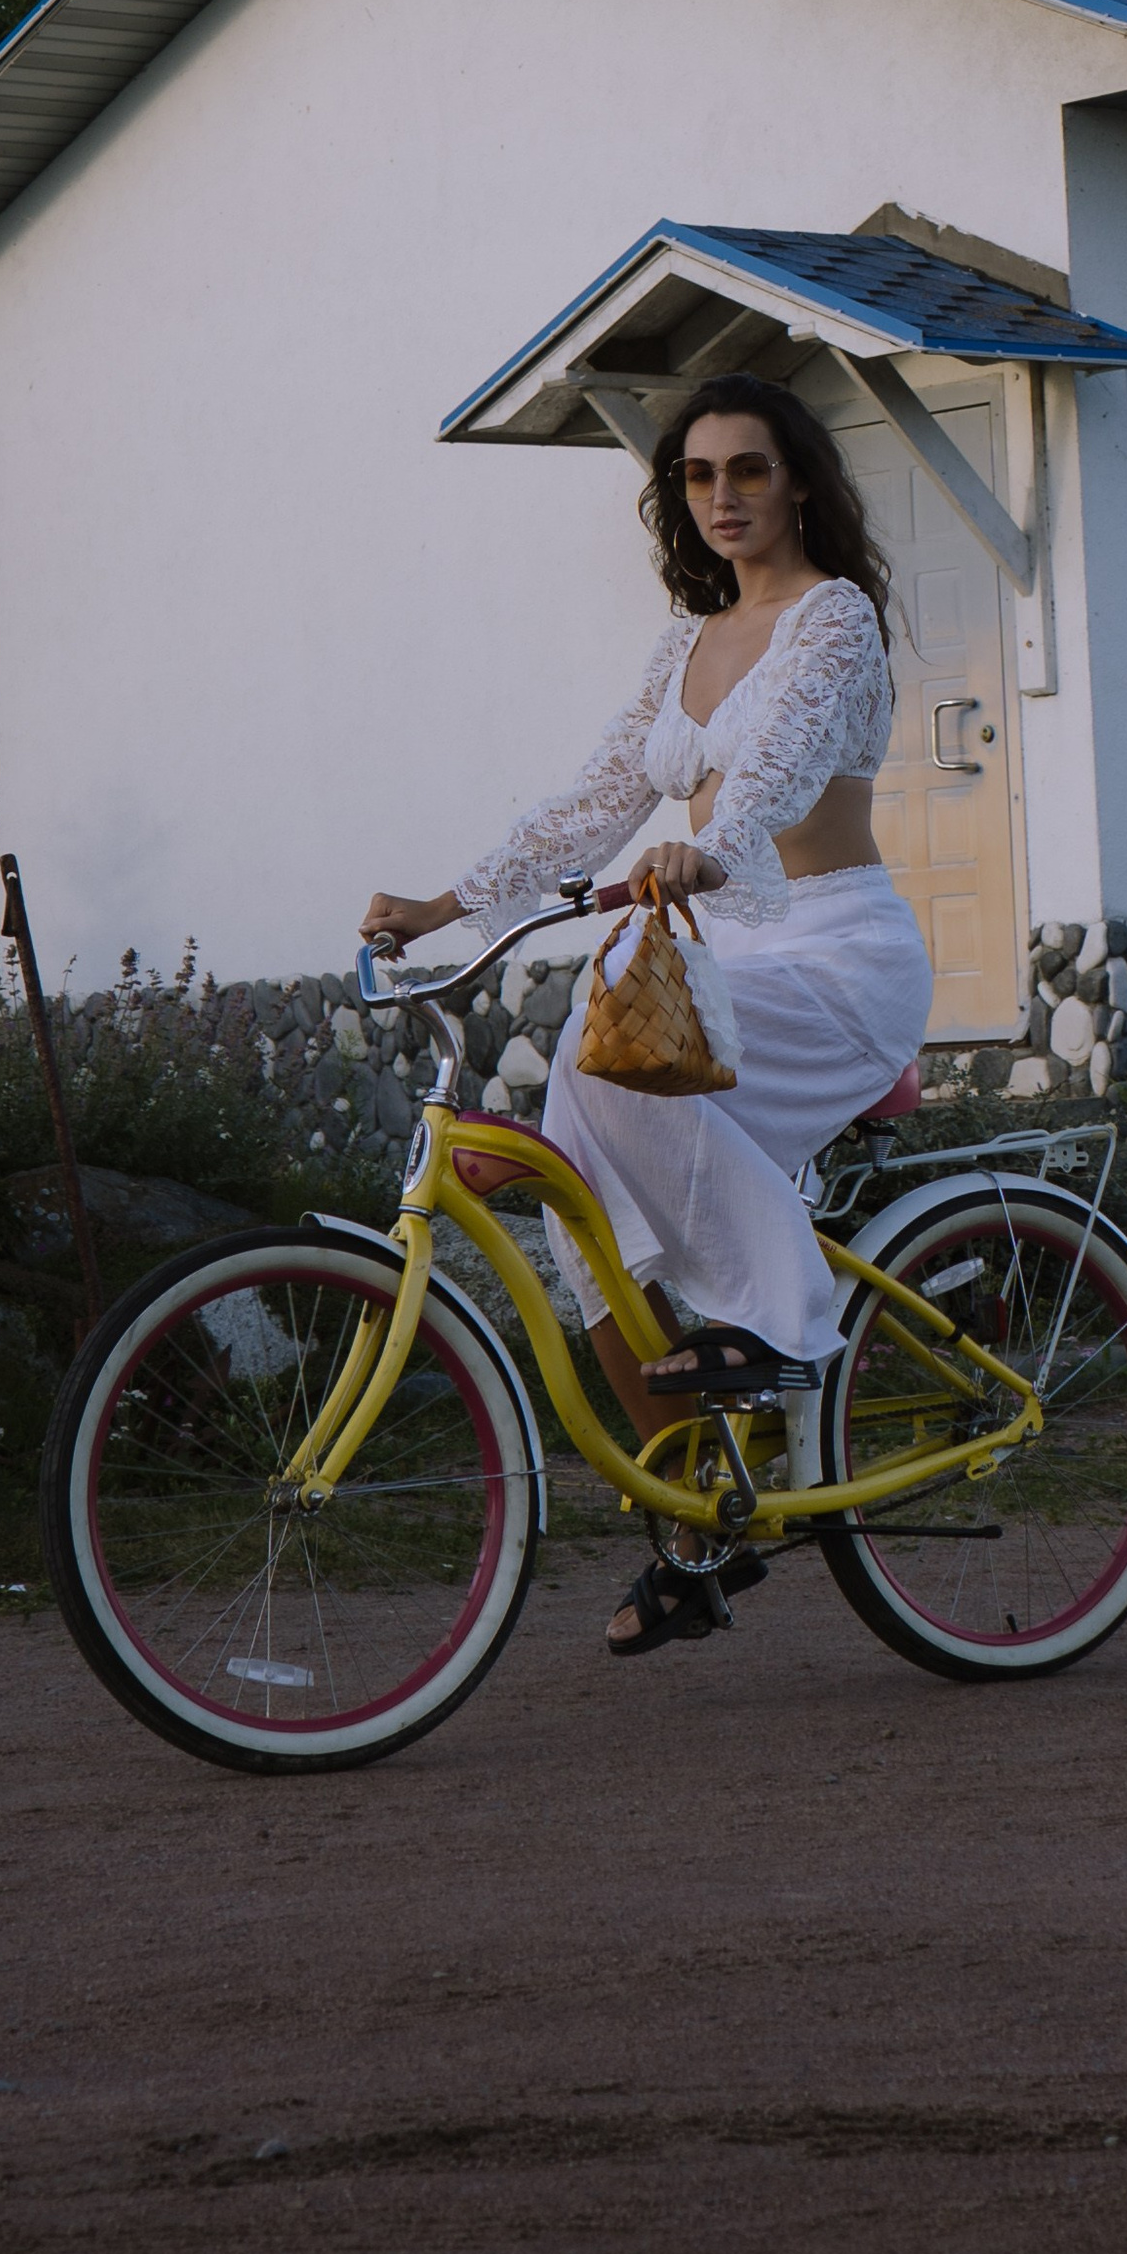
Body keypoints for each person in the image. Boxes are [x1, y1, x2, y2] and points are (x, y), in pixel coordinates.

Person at [361, 371, 934, 1656]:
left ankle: (776, 1331)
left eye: (747, 470)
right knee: (577, 1197)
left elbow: (776, 761)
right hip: (708, 962)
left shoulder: (830, 620)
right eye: (697, 476)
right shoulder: (685, 642)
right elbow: (594, 799)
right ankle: (693, 1519)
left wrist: (713, 850)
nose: (722, 496)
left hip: (831, 956)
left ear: (797, 484)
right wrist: (445, 903)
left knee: (612, 1076)